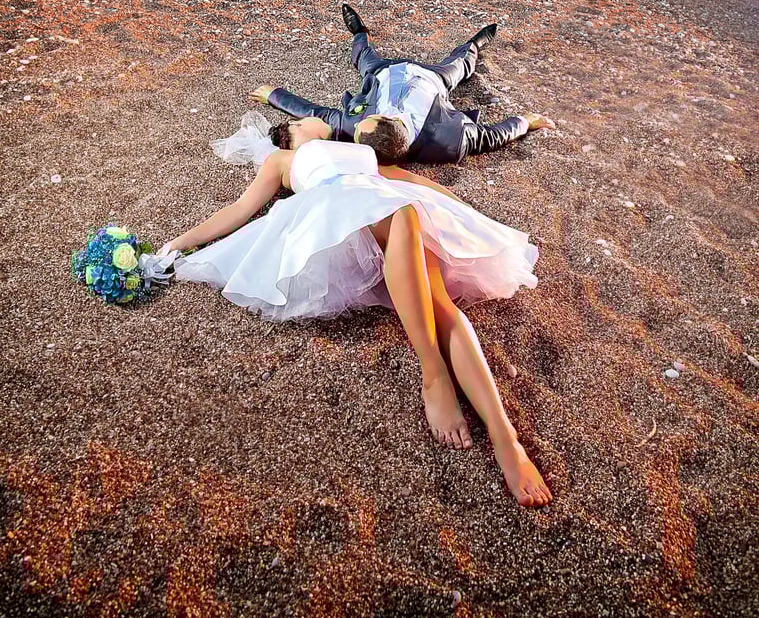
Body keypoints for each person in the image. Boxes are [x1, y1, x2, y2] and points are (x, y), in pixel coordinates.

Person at [160, 118, 553, 508]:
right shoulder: (282, 159)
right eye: (312, 118)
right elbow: (240, 208)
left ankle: (506, 437)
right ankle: (433, 374)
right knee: (403, 215)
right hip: (338, 219)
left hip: (392, 204)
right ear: (295, 128)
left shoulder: (363, 152)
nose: (324, 119)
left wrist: (466, 217)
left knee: (438, 298)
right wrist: (180, 242)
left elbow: (419, 185)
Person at [250, 4, 554, 165]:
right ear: (390, 120)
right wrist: (526, 122)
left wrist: (273, 95)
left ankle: (359, 33)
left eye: (363, 118)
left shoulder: (358, 126)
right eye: (366, 118)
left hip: (384, 72)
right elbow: (493, 137)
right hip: (433, 80)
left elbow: (313, 111)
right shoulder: (448, 142)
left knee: (364, 58)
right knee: (461, 65)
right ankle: (475, 42)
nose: (359, 117)